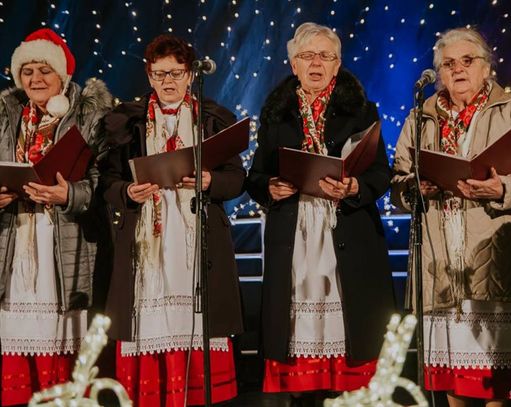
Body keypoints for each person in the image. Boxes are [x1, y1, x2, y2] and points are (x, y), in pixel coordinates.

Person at [246, 22, 395, 403]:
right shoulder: (276, 114)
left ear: (338, 64)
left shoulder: (361, 111)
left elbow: (381, 173)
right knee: (297, 351)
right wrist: (270, 187)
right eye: (308, 56)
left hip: (346, 233)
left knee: (351, 345)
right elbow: (256, 176)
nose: (316, 63)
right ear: (293, 64)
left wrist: (355, 187)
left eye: (326, 56)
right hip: (294, 235)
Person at [391, 27, 511, 406]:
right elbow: (399, 180)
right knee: (453, 379)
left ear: (486, 67)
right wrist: (416, 188)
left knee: (496, 380)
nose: (457, 69)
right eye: (448, 63)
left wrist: (503, 188)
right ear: (439, 73)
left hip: (493, 261)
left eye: (467, 61)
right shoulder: (420, 118)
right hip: (442, 265)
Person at [100, 34, 244, 406]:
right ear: (149, 75)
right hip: (147, 242)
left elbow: (237, 178)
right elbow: (107, 182)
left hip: (196, 238)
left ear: (190, 75)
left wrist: (210, 181)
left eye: (176, 73)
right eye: (160, 73)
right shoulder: (127, 122)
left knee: (198, 324)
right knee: (150, 326)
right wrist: (127, 192)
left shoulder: (211, 118)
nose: (168, 81)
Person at [0, 28, 112, 405]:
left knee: (61, 349)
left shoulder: (90, 116)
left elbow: (104, 183)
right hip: (15, 243)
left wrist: (69, 194)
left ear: (61, 74)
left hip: (64, 244)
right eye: (27, 71)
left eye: (44, 70)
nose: (35, 79)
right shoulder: (6, 116)